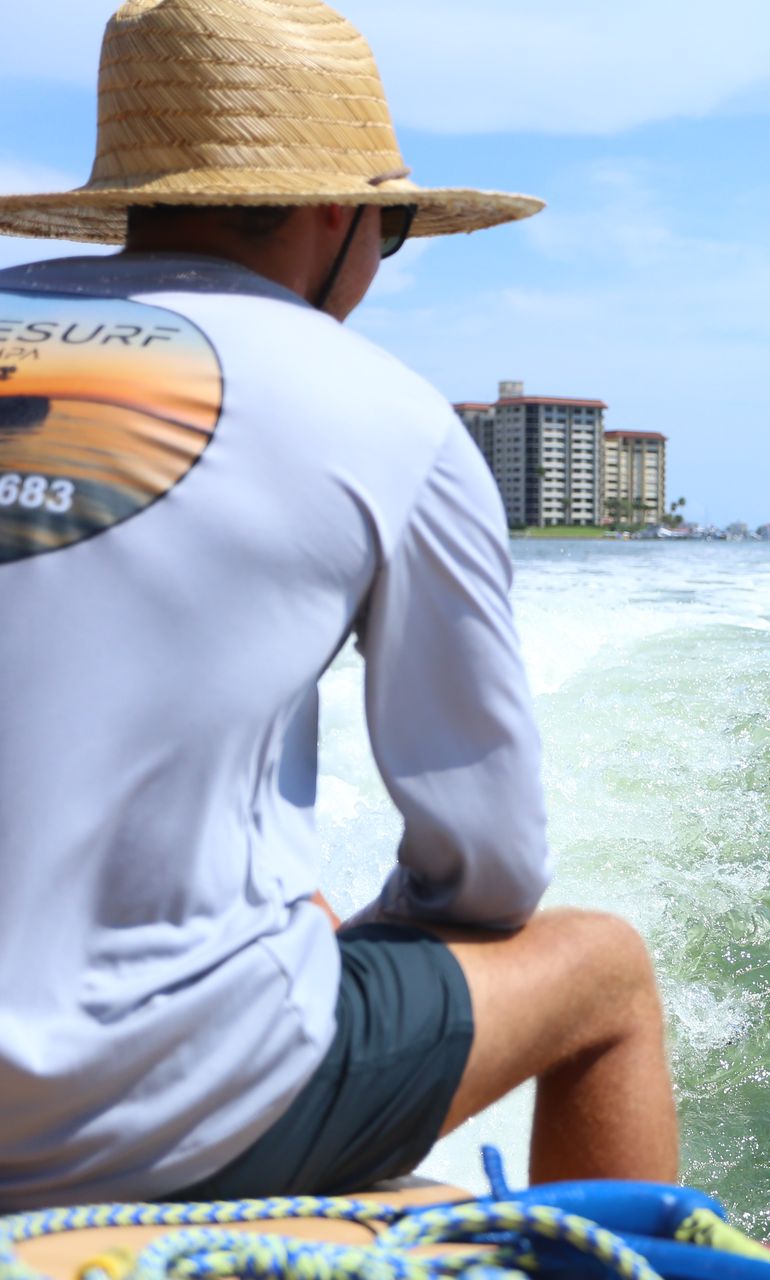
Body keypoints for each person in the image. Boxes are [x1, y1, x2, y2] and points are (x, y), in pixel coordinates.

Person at [0, 0, 674, 1209]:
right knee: (605, 974)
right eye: (398, 231)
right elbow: (493, 871)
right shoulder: (387, 413)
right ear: (335, 213)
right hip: (123, 1117)